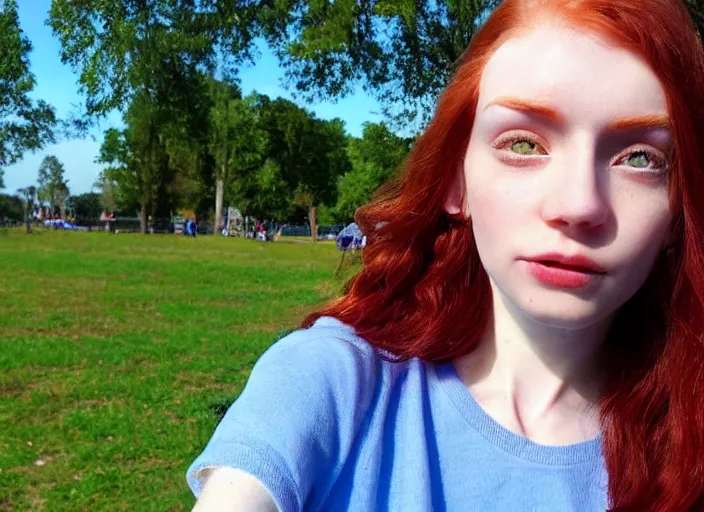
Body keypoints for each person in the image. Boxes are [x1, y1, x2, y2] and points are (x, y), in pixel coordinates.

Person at [186, 0, 704, 510]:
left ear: (681, 204)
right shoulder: (333, 383)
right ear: (457, 181)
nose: (578, 205)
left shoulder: (689, 443)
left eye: (641, 158)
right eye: (523, 144)